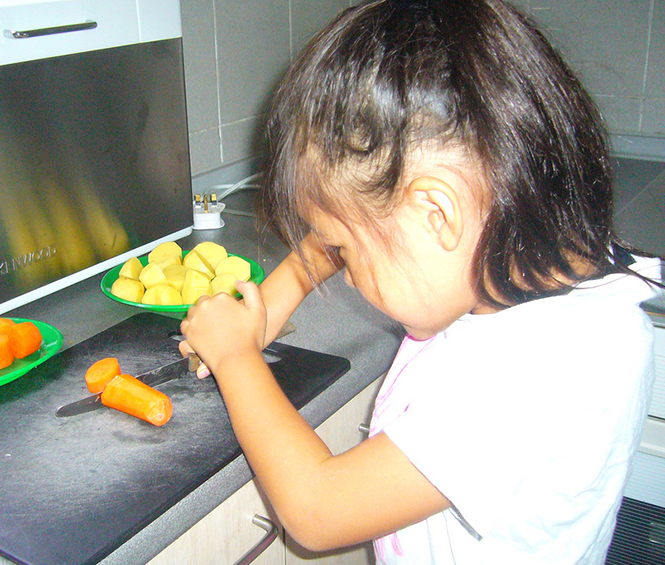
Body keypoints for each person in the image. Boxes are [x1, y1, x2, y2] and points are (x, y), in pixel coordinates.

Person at [179, 0, 662, 562]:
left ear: (438, 214)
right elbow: (344, 232)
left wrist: (237, 355)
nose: (352, 277)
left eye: (348, 250)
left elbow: (318, 510)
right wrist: (280, 295)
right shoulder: (530, 261)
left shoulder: (544, 368)